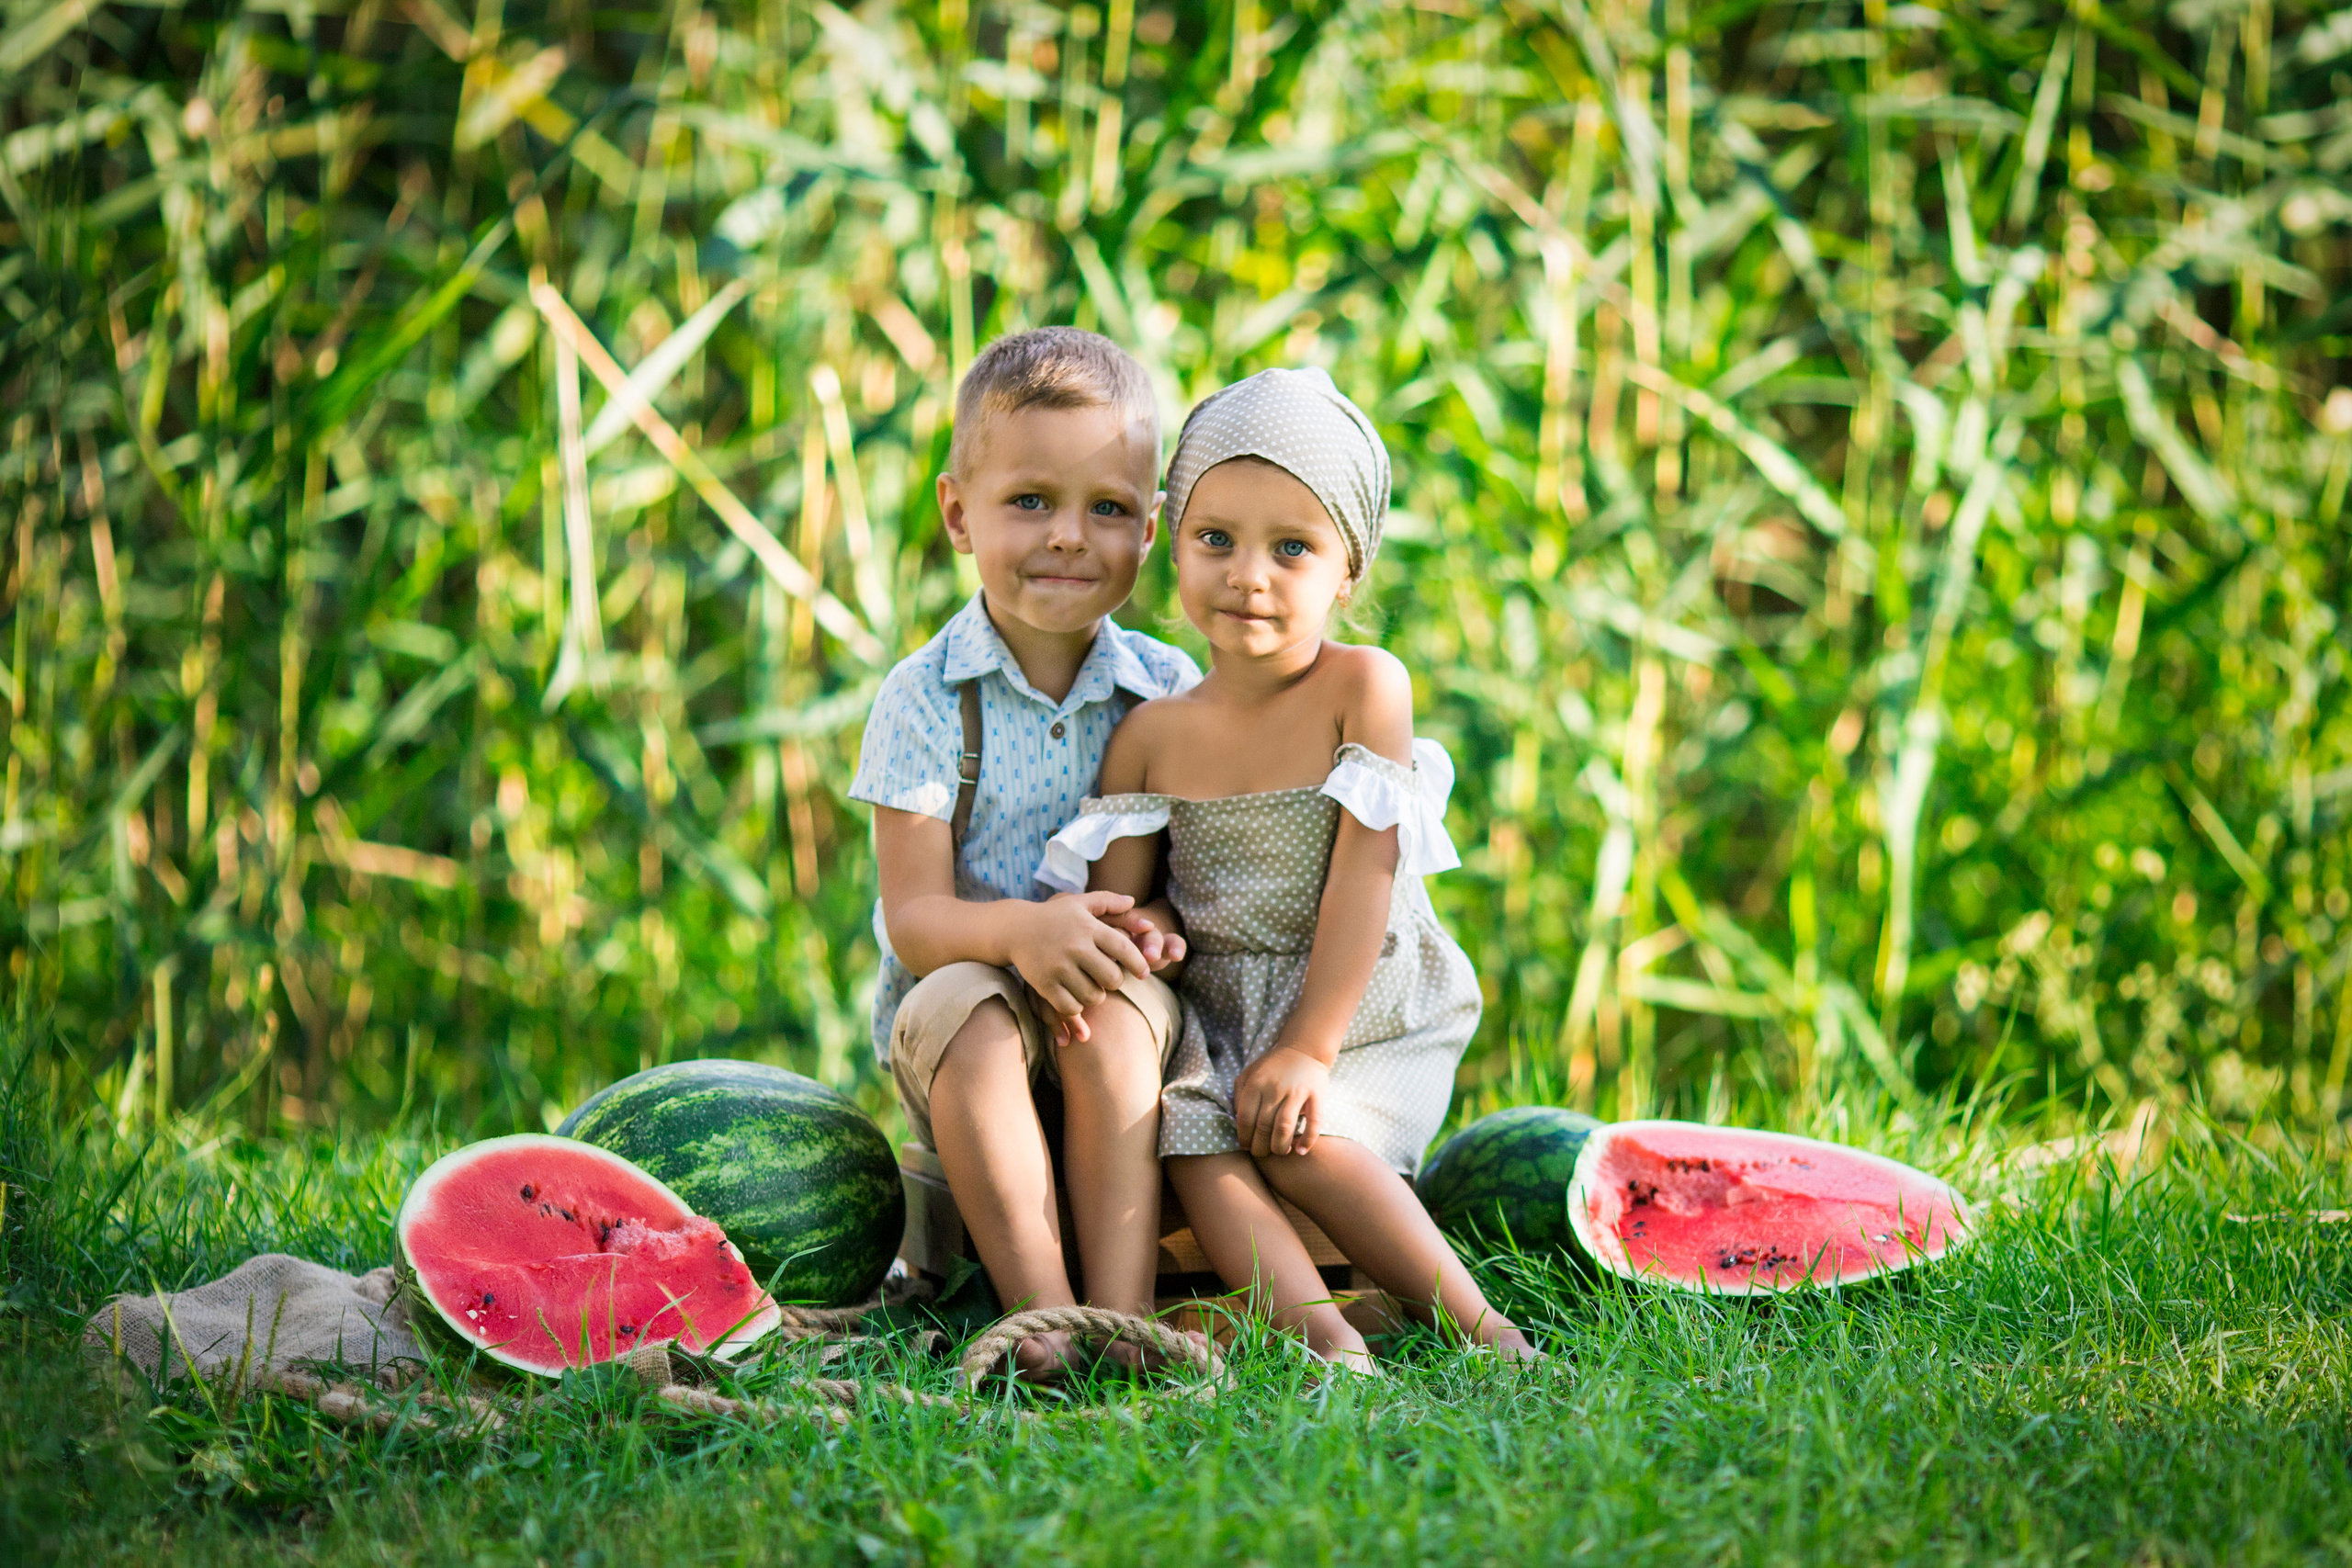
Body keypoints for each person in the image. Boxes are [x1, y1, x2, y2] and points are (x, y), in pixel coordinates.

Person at [1036, 367, 1541, 1369]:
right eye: (1214, 539)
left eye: (1292, 548)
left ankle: (1488, 1336)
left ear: (1346, 572)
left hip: (1359, 1005)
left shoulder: (1363, 686)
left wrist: (1309, 1049)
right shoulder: (1150, 737)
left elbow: (1365, 877)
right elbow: (1129, 894)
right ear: (1170, 542)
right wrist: (1142, 928)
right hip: (1223, 1012)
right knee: (1197, 1143)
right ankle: (1326, 1343)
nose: (1247, 575)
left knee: (1302, 1140)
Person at [850, 328, 1198, 1379]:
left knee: (1120, 1018)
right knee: (971, 1013)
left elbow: (1190, 887)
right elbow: (914, 918)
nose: (1067, 538)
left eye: (1107, 509)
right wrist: (1026, 934)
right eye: (1029, 501)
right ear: (959, 513)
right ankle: (1042, 1320)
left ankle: (1123, 1317)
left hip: (1104, 1009)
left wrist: (1156, 928)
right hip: (965, 1027)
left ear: (1151, 529)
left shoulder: (1169, 688)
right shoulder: (924, 696)